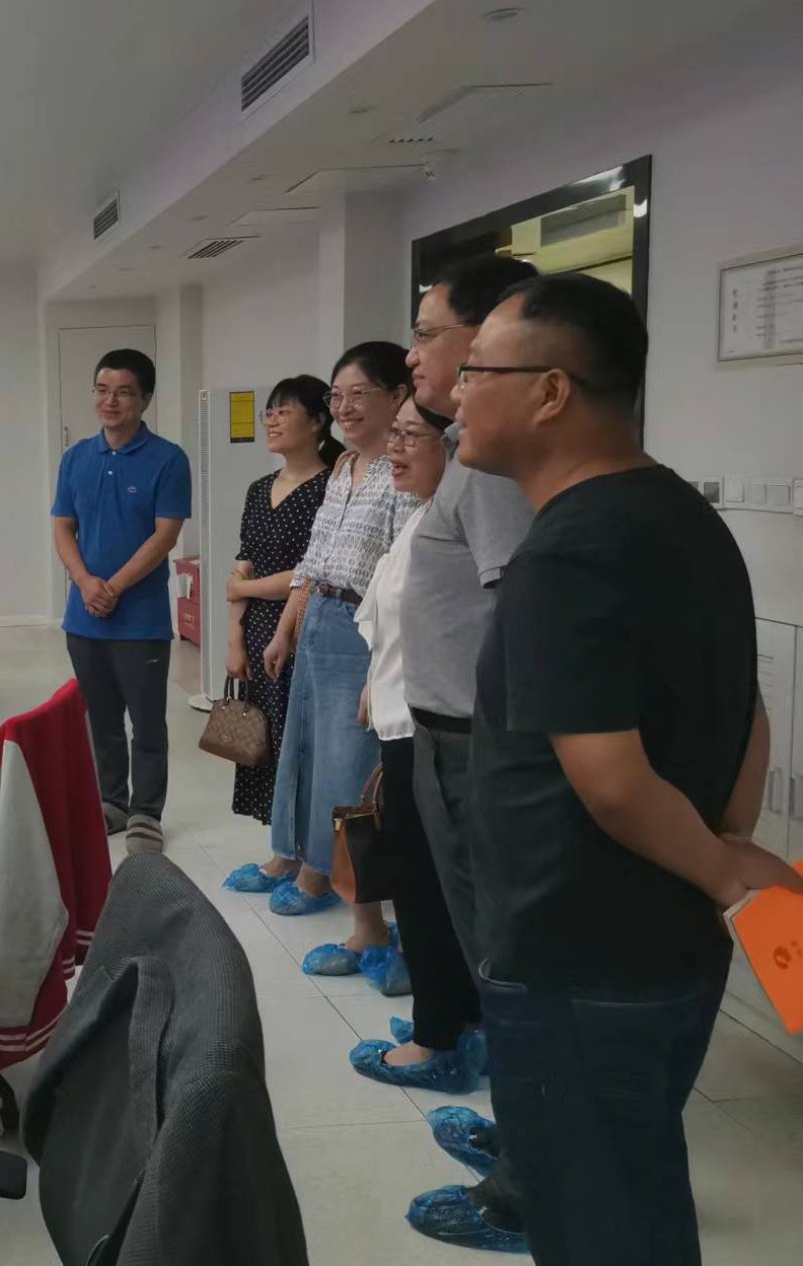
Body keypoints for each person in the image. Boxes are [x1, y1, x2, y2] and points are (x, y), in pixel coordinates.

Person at [457, 272, 803, 1264]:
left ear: (549, 392)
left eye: (476, 369)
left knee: (600, 1223)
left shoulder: (566, 553)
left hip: (578, 954)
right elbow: (746, 712)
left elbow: (610, 779)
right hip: (663, 945)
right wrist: (722, 846)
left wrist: (724, 868)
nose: (454, 394)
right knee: (632, 1192)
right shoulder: (680, 514)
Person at [390, 254, 541, 1253]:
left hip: (478, 747)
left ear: (488, 344)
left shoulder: (488, 474)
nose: (414, 353)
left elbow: (521, 622)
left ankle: (525, 1181)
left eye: (428, 332)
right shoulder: (467, 460)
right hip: (445, 737)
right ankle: (521, 1135)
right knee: (492, 955)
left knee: (510, 962)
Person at [224, 343, 418, 977]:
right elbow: (313, 564)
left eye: (359, 394)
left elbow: (404, 577)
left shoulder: (403, 471)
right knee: (301, 756)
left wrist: (385, 666)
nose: (345, 407)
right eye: (338, 396)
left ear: (398, 396)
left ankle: (367, 924)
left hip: (365, 630)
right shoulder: (345, 470)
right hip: (318, 621)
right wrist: (286, 629)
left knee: (350, 776)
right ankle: (310, 870)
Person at [337, 395, 489, 1093]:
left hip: (429, 728)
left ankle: (438, 1040)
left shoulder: (460, 522)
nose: (393, 450)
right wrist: (376, 681)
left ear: (452, 446)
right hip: (402, 719)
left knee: (426, 889)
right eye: (392, 436)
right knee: (422, 882)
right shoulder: (422, 518)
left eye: (409, 437)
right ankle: (451, 1016)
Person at [52, 348, 191, 855]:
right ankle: (112, 801)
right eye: (102, 390)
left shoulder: (168, 459)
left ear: (145, 399)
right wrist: (85, 582)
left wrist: (112, 587)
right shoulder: (76, 458)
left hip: (141, 620)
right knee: (101, 718)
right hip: (84, 617)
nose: (110, 401)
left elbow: (165, 536)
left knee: (147, 721)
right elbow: (62, 527)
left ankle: (146, 812)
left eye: (124, 392)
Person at [224, 376, 339, 824]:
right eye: (268, 412)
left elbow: (309, 571)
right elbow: (244, 562)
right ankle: (279, 844)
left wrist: (244, 589)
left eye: (284, 411)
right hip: (256, 631)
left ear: (317, 421)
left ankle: (303, 842)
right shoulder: (259, 488)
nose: (271, 420)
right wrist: (234, 639)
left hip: (303, 628)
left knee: (301, 740)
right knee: (264, 738)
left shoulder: (331, 487)